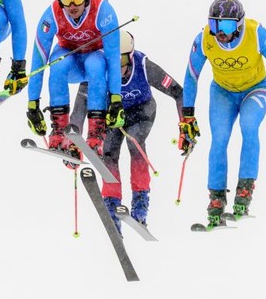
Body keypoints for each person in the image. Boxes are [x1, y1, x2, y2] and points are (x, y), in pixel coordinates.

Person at [177, 0, 266, 227]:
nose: (220, 32)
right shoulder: (204, 38)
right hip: (223, 93)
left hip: (255, 89)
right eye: (214, 25)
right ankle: (216, 198)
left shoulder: (255, 32)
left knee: (248, 126)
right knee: (219, 138)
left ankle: (245, 190)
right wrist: (187, 115)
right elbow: (191, 75)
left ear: (239, 24)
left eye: (227, 26)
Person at [71, 31, 184, 231]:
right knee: (108, 151)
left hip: (142, 111)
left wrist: (185, 124)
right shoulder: (97, 69)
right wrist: (74, 140)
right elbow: (80, 106)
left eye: (121, 60)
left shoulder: (144, 66)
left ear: (130, 57)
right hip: (113, 115)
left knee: (135, 141)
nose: (115, 67)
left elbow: (178, 92)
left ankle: (140, 199)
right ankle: (112, 202)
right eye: (110, 60)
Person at [25, 0, 125, 165]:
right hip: (71, 62)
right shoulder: (52, 14)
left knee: (95, 63)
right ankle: (59, 130)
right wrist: (32, 103)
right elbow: (39, 60)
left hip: (96, 60)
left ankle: (96, 132)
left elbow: (114, 59)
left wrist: (116, 98)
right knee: (57, 63)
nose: (71, 6)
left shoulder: (103, 10)